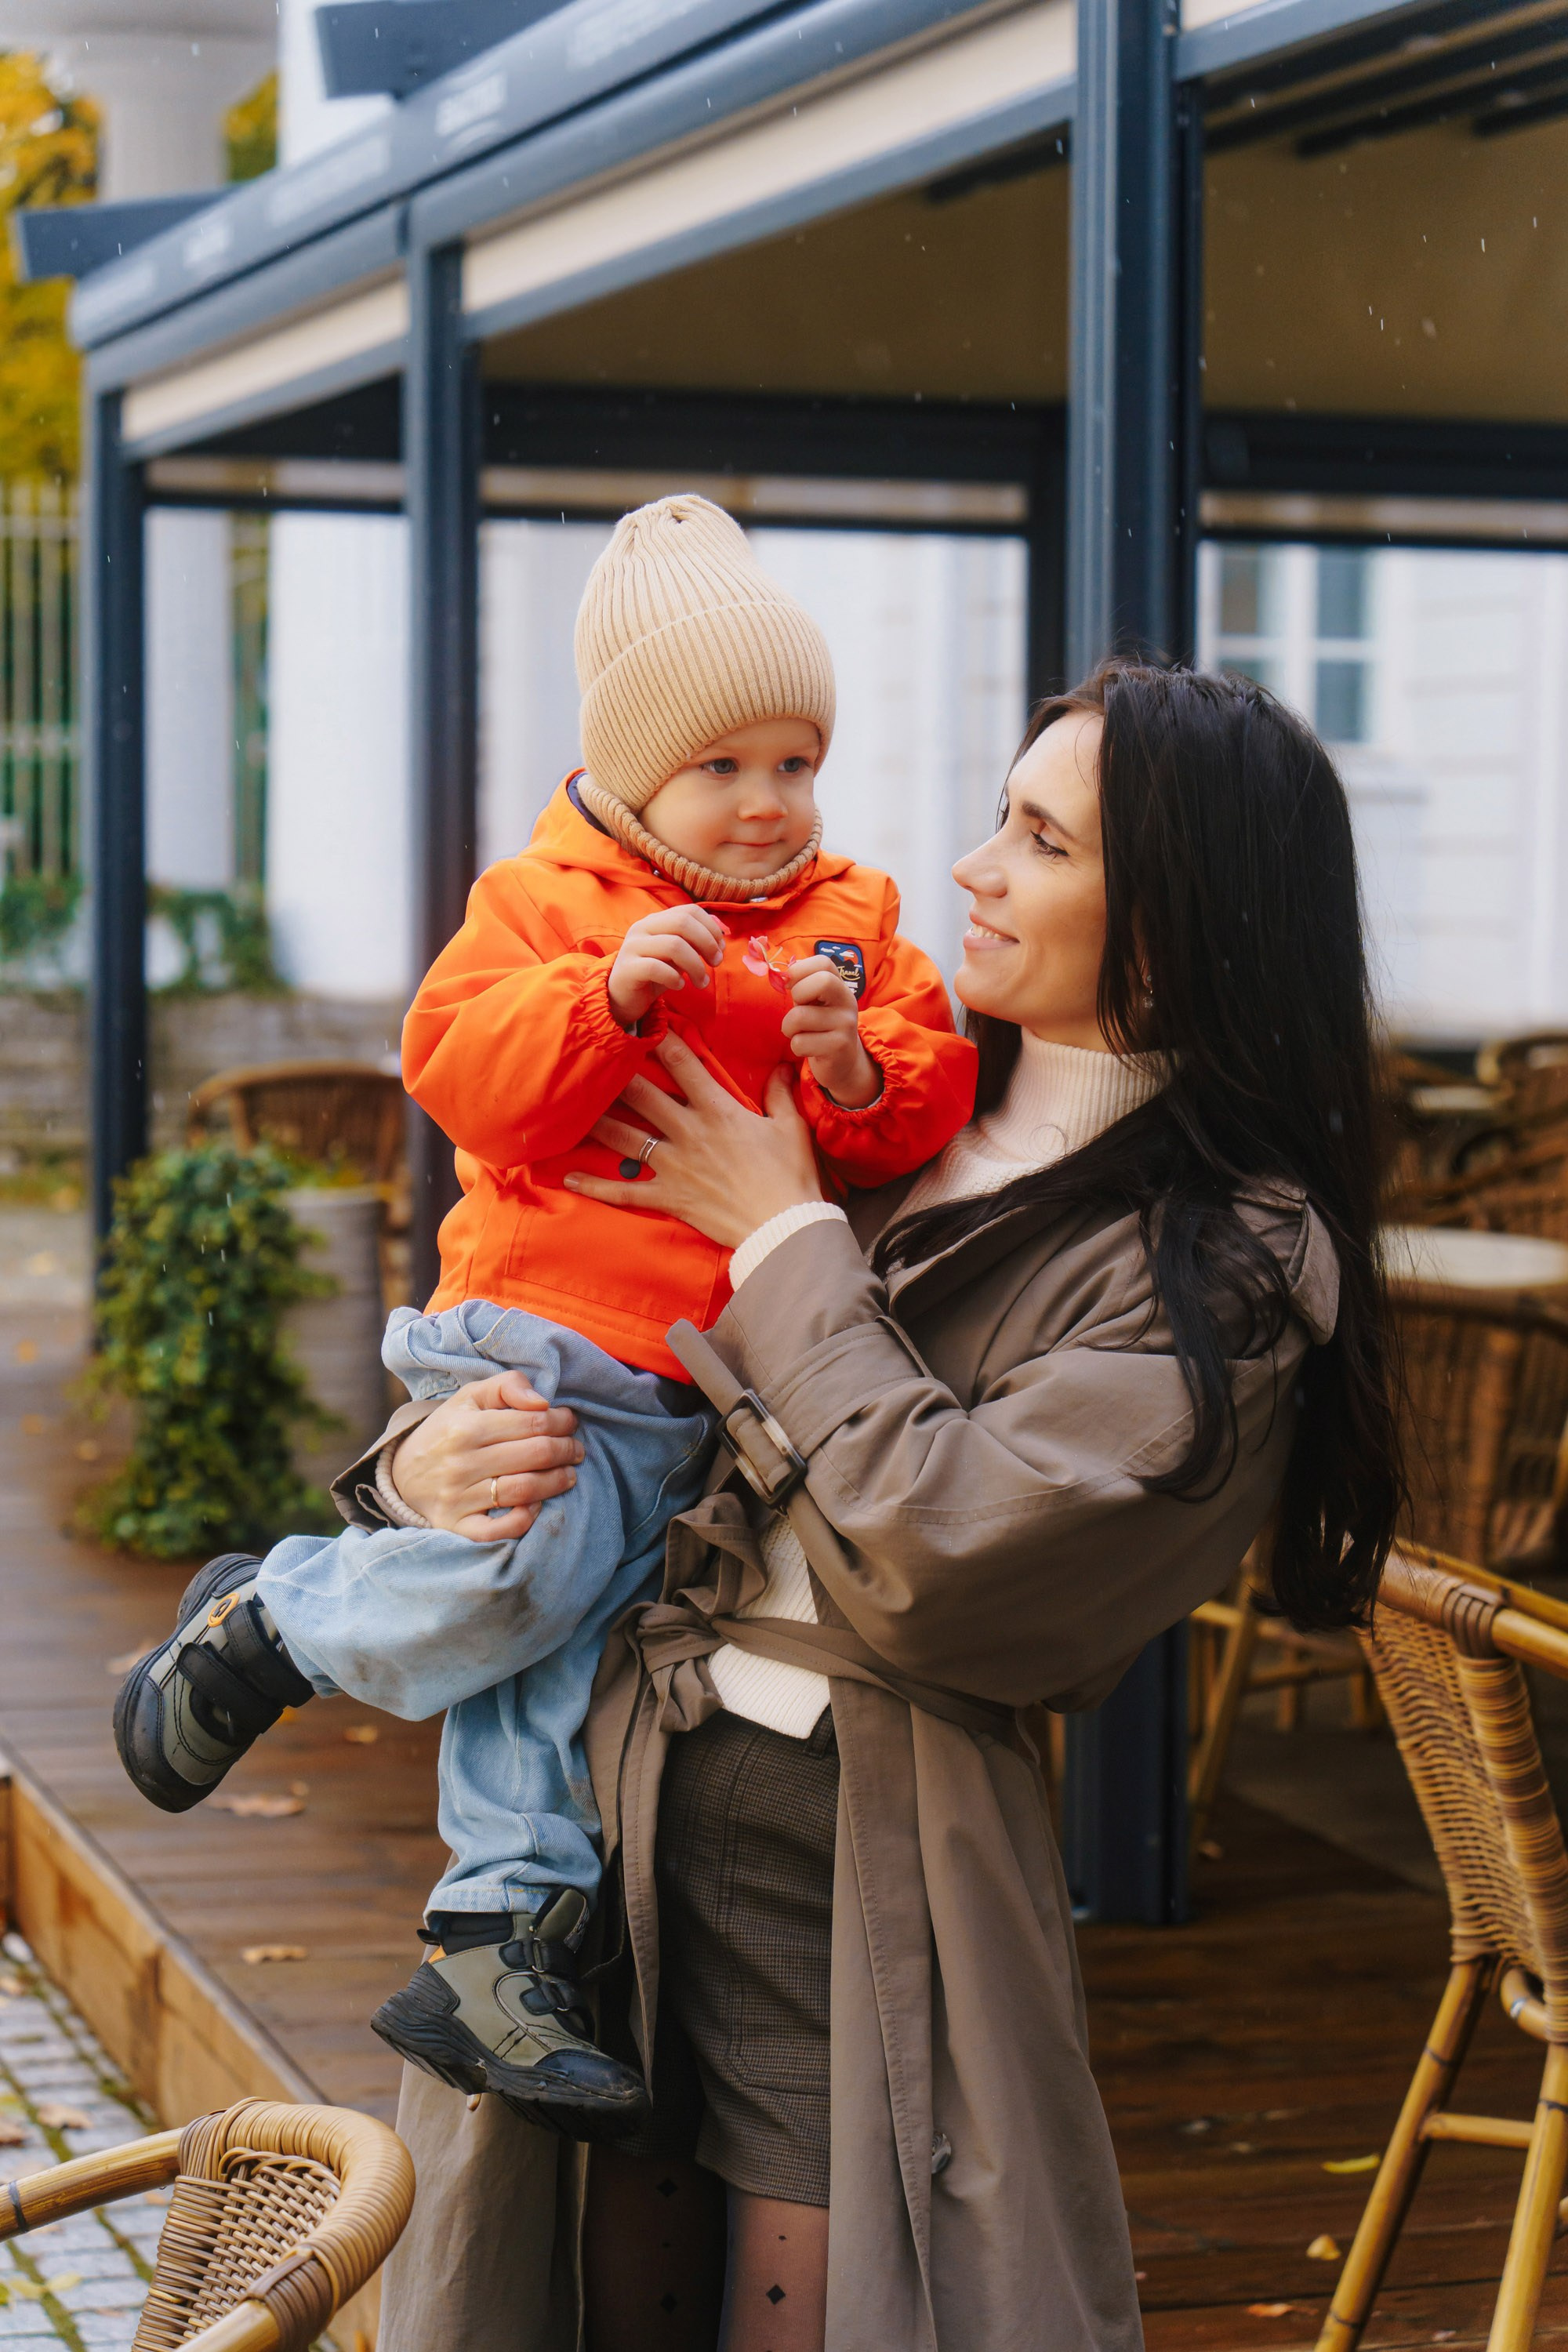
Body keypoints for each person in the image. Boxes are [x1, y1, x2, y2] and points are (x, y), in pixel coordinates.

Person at [359, 658, 1403, 2352]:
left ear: (1175, 921)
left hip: (852, 1862)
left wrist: (782, 1241)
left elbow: (954, 1565)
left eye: (1042, 840)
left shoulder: (1231, 1255)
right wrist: (425, 1463)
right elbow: (576, 1307)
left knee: (833, 2290)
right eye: (1000, 814)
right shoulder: (900, 1115)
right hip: (607, 1805)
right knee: (573, 2283)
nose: (976, 865)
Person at [112, 494, 976, 2142]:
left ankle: (494, 1942)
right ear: (637, 772)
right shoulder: (549, 900)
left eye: (794, 761)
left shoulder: (850, 921)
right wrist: (606, 995)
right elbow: (463, 1078)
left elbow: (909, 1110)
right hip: (538, 1329)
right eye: (723, 767)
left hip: (698, 1375)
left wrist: (855, 1063)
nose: (765, 802)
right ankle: (272, 1626)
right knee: (518, 1567)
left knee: (559, 1656)